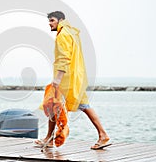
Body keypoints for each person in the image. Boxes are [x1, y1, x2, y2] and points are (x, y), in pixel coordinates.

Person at [35, 11, 111, 150]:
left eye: (52, 20)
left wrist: (57, 79)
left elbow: (64, 58)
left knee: (73, 105)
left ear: (60, 20)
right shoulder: (71, 33)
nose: (49, 23)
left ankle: (103, 135)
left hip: (66, 79)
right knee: (56, 106)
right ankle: (49, 138)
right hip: (75, 77)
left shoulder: (63, 35)